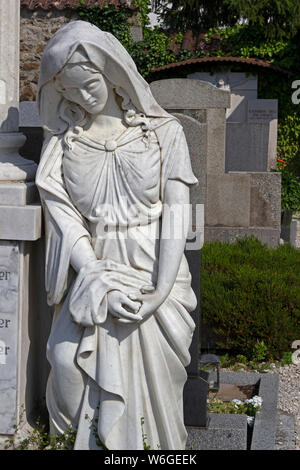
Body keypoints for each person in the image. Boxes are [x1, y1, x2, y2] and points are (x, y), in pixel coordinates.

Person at [36, 21, 198, 450]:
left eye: (88, 85)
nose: (82, 98)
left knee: (153, 383)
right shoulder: (62, 148)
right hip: (94, 267)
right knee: (65, 361)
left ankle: (148, 450)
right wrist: (96, 278)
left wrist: (160, 292)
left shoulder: (164, 134)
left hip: (152, 269)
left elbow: (177, 214)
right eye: (69, 93)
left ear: (110, 72)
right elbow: (67, 222)